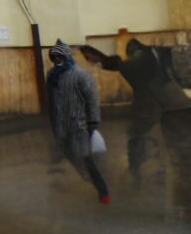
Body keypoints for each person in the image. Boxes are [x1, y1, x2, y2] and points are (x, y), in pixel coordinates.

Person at [82, 38, 191, 206]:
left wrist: (96, 58)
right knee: (181, 146)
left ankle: (138, 173)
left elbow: (114, 63)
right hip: (182, 104)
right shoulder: (156, 53)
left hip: (167, 110)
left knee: (142, 138)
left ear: (132, 52)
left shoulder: (136, 62)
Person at [46, 40, 110, 204]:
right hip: (60, 125)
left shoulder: (80, 75)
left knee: (85, 158)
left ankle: (103, 192)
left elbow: (92, 98)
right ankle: (89, 176)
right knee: (70, 155)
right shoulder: (51, 76)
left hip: (78, 125)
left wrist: (93, 122)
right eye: (54, 57)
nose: (57, 60)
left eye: (60, 57)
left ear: (66, 57)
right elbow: (51, 100)